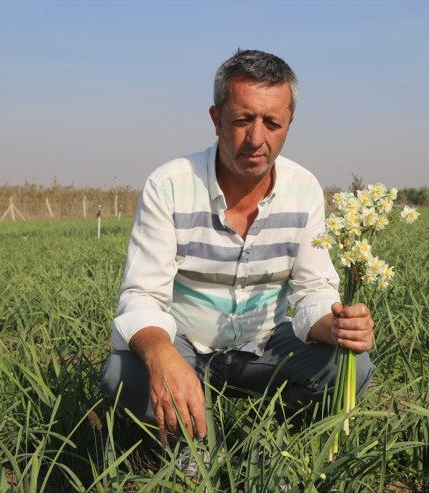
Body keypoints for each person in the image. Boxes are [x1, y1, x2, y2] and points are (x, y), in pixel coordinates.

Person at [100, 49, 375, 447]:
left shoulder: (304, 190)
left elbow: (313, 291)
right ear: (216, 119)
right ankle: (191, 445)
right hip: (186, 347)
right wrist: (162, 356)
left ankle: (268, 439)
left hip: (266, 346)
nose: (256, 139)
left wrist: (335, 325)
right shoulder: (170, 185)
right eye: (242, 120)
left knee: (353, 366)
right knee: (121, 373)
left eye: (273, 123)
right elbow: (142, 295)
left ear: (289, 123)